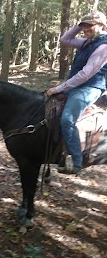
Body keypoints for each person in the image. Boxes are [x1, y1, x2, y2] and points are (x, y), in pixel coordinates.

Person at [46, 11, 107, 175]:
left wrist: (60, 88)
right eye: (84, 25)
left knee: (67, 119)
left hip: (90, 88)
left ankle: (76, 162)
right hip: (76, 86)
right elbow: (65, 39)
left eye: (90, 25)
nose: (86, 28)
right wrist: (79, 26)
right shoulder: (87, 42)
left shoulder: (103, 46)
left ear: (101, 26)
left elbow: (86, 74)